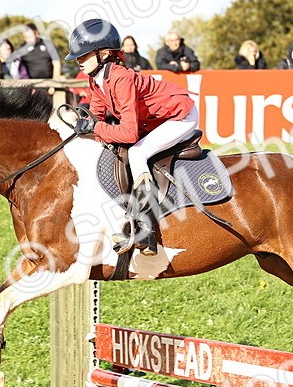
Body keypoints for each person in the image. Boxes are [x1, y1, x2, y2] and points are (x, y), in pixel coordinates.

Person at [67, 18, 198, 257]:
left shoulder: (120, 77)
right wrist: (80, 127)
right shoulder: (96, 78)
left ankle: (145, 233)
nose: (79, 61)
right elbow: (96, 116)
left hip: (180, 116)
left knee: (137, 152)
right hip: (156, 119)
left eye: (84, 55)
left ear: (104, 53)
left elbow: (128, 133)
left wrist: (94, 129)